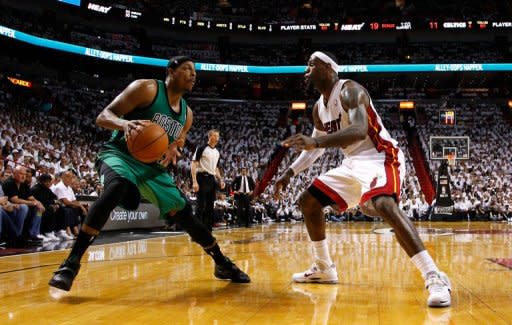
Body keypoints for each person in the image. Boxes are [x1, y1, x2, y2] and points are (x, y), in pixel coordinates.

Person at [49, 56, 250, 292]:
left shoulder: (187, 114)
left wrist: (177, 146)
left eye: (195, 72)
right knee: (118, 187)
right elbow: (104, 116)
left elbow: (181, 137)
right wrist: (124, 125)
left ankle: (221, 262)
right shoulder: (146, 89)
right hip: (119, 154)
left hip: (152, 167)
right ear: (171, 71)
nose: (194, 75)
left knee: (184, 213)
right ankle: (70, 264)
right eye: (187, 69)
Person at [274, 51, 451, 307]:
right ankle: (324, 267)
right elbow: (316, 149)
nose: (307, 69)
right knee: (308, 202)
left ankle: (434, 276)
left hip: (380, 155)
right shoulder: (318, 109)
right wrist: (289, 173)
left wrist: (315, 141)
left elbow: (358, 131)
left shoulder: (349, 90)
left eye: (312, 64)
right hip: (352, 163)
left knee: (383, 204)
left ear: (329, 67)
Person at [191, 129, 225, 231]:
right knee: (200, 206)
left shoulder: (217, 152)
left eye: (218, 136)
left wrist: (221, 180)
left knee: (210, 206)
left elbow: (216, 168)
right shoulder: (201, 148)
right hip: (201, 177)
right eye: (215, 135)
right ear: (209, 137)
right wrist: (194, 181)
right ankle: (196, 231)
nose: (217, 138)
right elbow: (193, 164)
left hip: (211, 179)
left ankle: (207, 230)